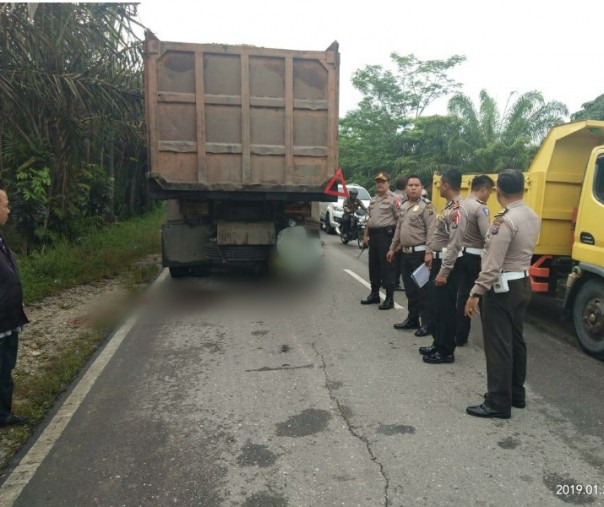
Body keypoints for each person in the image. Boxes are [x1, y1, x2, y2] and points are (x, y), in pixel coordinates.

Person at [464, 169, 540, 419]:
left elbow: (493, 264)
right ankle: (516, 394)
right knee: (516, 341)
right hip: (522, 283)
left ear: (498, 192)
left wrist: (476, 292)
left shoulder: (505, 220)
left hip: (501, 289)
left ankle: (498, 402)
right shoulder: (531, 216)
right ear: (523, 189)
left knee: (499, 345)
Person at [420, 169, 467, 364]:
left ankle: (446, 351)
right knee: (437, 307)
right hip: (440, 261)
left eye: (440, 184)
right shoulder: (448, 206)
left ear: (447, 185)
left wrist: (444, 272)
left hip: (449, 264)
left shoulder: (457, 210)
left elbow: (455, 244)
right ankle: (438, 343)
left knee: (446, 310)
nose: (437, 187)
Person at [387, 175, 435, 336]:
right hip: (405, 254)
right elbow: (399, 230)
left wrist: (429, 252)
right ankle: (412, 319)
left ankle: (427, 323)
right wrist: (392, 248)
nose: (413, 188)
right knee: (410, 290)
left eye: (416, 185)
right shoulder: (404, 206)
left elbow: (432, 231)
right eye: (410, 185)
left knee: (422, 290)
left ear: (421, 188)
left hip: (420, 255)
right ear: (405, 188)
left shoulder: (426, 207)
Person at [0, 189, 29, 427]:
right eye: (6, 205)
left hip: (9, 318)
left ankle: (4, 414)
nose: (8, 210)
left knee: (6, 367)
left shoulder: (0, 239)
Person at [455, 175, 495, 346]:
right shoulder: (481, 208)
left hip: (460, 254)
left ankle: (460, 336)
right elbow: (487, 236)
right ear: (484, 189)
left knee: (462, 295)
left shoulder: (461, 204)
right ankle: (490, 339)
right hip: (475, 257)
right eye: (490, 192)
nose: (489, 196)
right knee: (482, 296)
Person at [360, 171, 401, 310]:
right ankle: (374, 293)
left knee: (387, 267)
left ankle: (389, 298)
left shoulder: (394, 198)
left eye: (382, 182)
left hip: (386, 237)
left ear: (388, 183)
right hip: (374, 236)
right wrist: (365, 236)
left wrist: (397, 242)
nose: (380, 184)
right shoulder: (373, 199)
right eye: (378, 182)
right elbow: (370, 220)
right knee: (374, 266)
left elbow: (400, 220)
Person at [393, 175, 409, 291]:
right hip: (398, 230)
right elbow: (400, 216)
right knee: (398, 258)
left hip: (392, 230)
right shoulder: (401, 198)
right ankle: (395, 281)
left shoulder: (393, 195)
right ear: (405, 186)